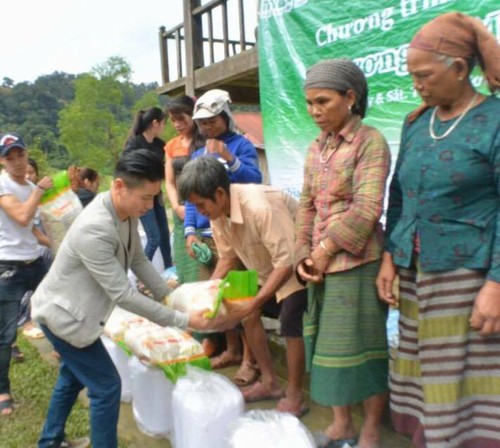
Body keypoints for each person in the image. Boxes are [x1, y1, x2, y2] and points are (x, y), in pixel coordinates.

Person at [31, 150, 225, 448]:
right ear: (119, 186)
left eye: (154, 198)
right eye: (145, 198)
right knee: (106, 388)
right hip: (63, 317)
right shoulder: (95, 228)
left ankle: (50, 441)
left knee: (72, 377)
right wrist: (182, 320)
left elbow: (138, 259)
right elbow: (123, 294)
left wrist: (169, 296)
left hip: (76, 313)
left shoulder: (122, 212)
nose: (150, 206)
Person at [376, 12, 500, 448]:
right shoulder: (415, 123)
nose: (417, 85)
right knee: (422, 372)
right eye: (411, 77)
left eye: (424, 75)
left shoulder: (496, 120)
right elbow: (399, 197)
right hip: (414, 275)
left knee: (464, 384)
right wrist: (390, 257)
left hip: (467, 278)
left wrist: (496, 285)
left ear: (461, 69)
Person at [295, 59, 391, 448]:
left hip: (358, 263)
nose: (315, 111)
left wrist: (323, 251)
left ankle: (369, 430)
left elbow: (368, 208)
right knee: (328, 348)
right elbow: (305, 205)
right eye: (309, 103)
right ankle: (341, 424)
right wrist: (304, 253)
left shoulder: (370, 142)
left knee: (363, 351)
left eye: (323, 101)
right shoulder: (316, 148)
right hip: (320, 267)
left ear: (350, 97)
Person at [178, 156, 308, 417]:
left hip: (298, 265)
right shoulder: (216, 213)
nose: (200, 211)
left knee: (290, 320)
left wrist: (255, 301)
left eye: (201, 205)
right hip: (265, 269)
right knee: (246, 314)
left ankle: (295, 394)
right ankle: (270, 382)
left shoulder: (260, 207)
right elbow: (227, 257)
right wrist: (206, 293)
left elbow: (286, 262)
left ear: (219, 193)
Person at [185, 89, 263, 378]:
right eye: (202, 123)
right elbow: (191, 199)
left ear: (226, 117)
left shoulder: (242, 145)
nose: (207, 127)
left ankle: (250, 360)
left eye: (212, 121)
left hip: (237, 232)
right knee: (217, 299)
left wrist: (229, 158)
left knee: (241, 300)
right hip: (207, 234)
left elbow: (254, 180)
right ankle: (231, 350)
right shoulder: (197, 153)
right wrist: (190, 233)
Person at [0, 133, 53, 416]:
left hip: (35, 261)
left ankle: (63, 353)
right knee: (5, 333)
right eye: (10, 157)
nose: (18, 162)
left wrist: (57, 241)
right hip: (8, 266)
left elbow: (32, 228)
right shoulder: (2, 184)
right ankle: (2, 391)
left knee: (55, 308)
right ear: (2, 161)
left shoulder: (31, 186)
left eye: (20, 155)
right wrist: (38, 191)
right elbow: (20, 216)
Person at [124, 107, 172, 269]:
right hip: (142, 197)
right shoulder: (134, 143)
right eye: (164, 123)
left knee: (165, 236)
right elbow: (127, 169)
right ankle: (140, 276)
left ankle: (169, 271)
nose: (164, 127)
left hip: (157, 196)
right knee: (154, 238)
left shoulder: (160, 145)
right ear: (155, 123)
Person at [164, 95, 204, 284]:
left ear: (192, 115)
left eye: (181, 119)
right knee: (184, 258)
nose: (177, 124)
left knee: (204, 257)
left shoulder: (206, 141)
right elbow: (170, 182)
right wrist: (176, 206)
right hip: (180, 210)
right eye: (173, 120)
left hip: (203, 209)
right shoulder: (171, 146)